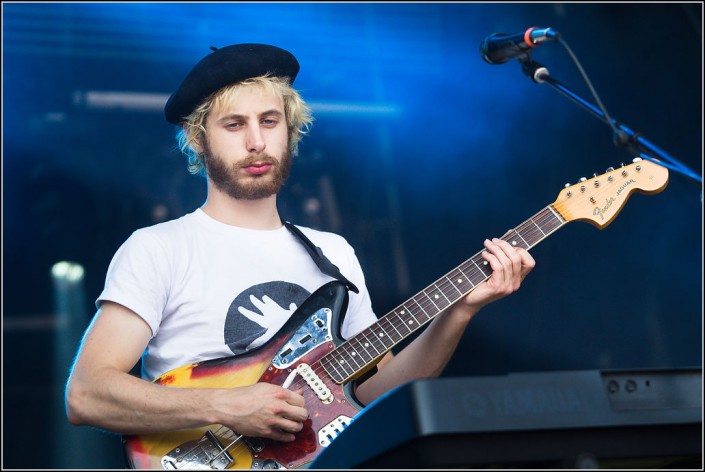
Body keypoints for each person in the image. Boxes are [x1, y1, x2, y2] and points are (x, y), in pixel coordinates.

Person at [65, 43, 535, 452]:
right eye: (234, 125)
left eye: (270, 121)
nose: (256, 141)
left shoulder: (333, 252)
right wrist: (225, 404)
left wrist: (458, 313)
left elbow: (380, 393)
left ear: (290, 130)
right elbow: (86, 394)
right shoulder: (158, 249)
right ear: (198, 141)